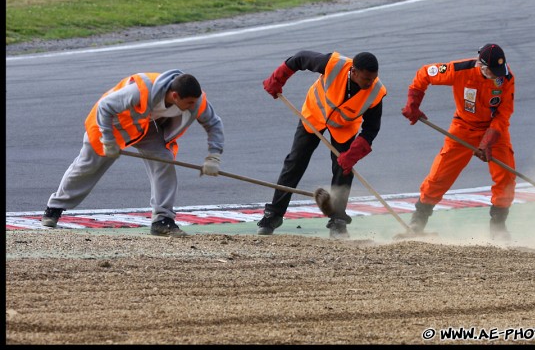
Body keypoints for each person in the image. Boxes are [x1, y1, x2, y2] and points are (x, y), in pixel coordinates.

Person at [41, 70, 225, 237]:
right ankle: (54, 208)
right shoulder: (139, 91)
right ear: (175, 95)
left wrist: (214, 156)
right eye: (190, 103)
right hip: (111, 124)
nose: (194, 106)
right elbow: (104, 107)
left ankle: (162, 219)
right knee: (87, 165)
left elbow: (213, 124)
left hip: (145, 127)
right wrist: (107, 139)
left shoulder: (196, 100)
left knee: (164, 160)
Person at [259, 51, 386, 239]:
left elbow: (371, 129)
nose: (370, 83)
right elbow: (299, 59)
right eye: (367, 79)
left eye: (373, 78)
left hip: (344, 126)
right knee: (295, 162)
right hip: (315, 114)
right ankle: (274, 215)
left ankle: (338, 220)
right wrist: (278, 78)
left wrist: (354, 154)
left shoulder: (376, 92)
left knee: (344, 169)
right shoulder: (333, 64)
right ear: (354, 71)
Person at [401, 44, 516, 240]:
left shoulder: (506, 77)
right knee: (440, 175)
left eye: (499, 71)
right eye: (491, 71)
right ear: (480, 64)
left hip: (494, 130)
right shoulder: (459, 70)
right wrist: (413, 103)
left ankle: (498, 226)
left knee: (506, 176)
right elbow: (424, 74)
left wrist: (488, 140)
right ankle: (418, 222)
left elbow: (504, 113)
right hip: (463, 128)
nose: (496, 75)